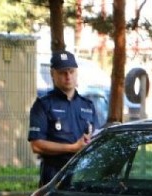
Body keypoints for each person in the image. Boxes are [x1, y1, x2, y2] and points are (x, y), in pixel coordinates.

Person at [28, 50, 100, 187]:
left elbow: (96, 138)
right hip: (54, 177)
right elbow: (36, 145)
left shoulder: (88, 105)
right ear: (52, 74)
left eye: (71, 72)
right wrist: (72, 148)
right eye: (62, 72)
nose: (68, 76)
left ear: (76, 72)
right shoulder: (43, 105)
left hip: (84, 176)